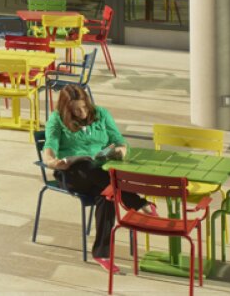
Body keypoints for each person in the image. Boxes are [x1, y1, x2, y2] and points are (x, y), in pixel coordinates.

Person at [41, 85, 151, 272]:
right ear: (67, 108)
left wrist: (121, 150)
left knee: (107, 195)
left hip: (101, 172)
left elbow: (119, 139)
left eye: (84, 107)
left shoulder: (101, 114)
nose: (82, 112)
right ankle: (136, 201)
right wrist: (52, 161)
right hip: (71, 174)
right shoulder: (57, 119)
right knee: (87, 167)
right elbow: (50, 145)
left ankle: (102, 253)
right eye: (76, 109)